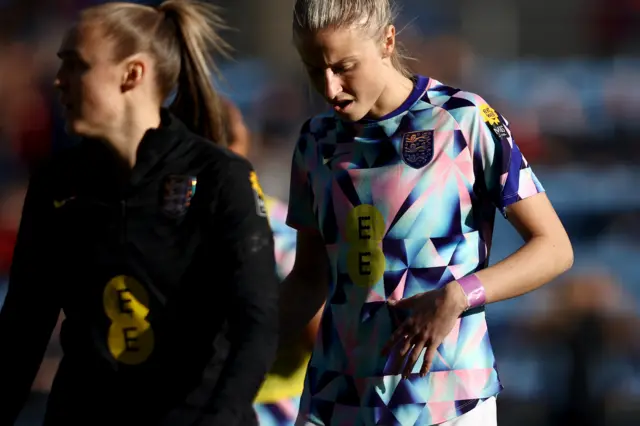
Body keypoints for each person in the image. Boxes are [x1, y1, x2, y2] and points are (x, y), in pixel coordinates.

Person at [279, 0, 574, 425]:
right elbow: (309, 278)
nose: (329, 87)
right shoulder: (315, 140)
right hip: (338, 399)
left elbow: (554, 249)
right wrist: (239, 349)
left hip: (446, 400)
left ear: (387, 41)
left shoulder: (461, 119)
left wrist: (458, 295)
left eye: (344, 66)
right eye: (314, 68)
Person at [0, 1, 279, 425]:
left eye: (76, 66)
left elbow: (255, 323)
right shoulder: (57, 185)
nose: (58, 81)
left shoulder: (221, 177)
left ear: (132, 74)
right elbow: (23, 330)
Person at [221, 98, 322, 426]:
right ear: (241, 145)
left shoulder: (161, 230)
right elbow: (319, 331)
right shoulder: (277, 229)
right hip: (272, 408)